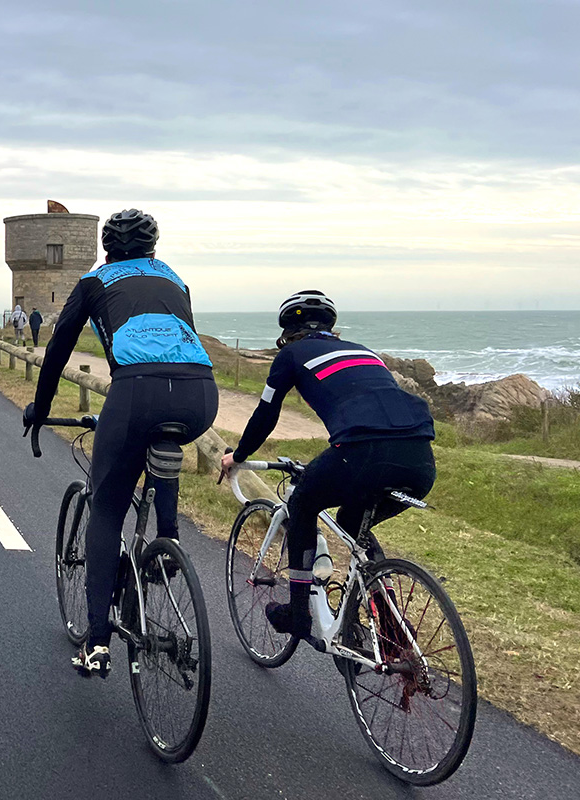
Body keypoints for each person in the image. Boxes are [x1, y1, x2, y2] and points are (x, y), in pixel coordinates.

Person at [23, 209, 218, 677]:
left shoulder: (95, 281)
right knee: (163, 452)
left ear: (105, 251)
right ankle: (166, 545)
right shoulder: (176, 279)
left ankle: (96, 641)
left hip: (135, 393)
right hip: (200, 394)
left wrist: (42, 408)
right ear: (155, 250)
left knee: (107, 506)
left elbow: (59, 349)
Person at [220, 290, 436, 644]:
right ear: (332, 329)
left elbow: (266, 414)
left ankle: (299, 613)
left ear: (287, 332)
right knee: (354, 523)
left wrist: (239, 455)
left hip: (361, 452)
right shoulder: (364, 351)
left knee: (303, 503)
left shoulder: (290, 355)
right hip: (420, 459)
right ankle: (392, 625)